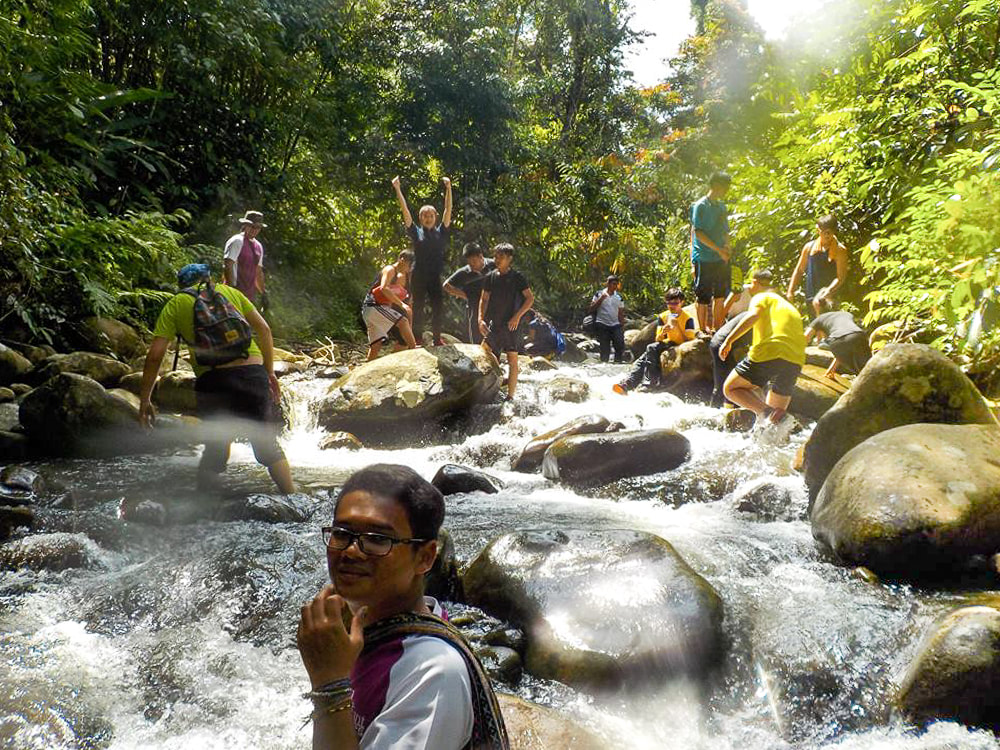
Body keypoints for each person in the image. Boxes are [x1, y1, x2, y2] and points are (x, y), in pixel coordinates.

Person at [297, 464, 510, 750]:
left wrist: (330, 685)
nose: (350, 551)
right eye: (342, 533)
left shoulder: (433, 673)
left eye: (378, 539)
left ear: (425, 557)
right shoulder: (360, 633)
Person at [138, 263, 295, 494]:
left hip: (213, 380)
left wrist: (145, 399)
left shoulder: (177, 303)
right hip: (252, 373)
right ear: (209, 278)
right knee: (266, 444)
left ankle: (205, 506)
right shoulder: (230, 292)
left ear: (181, 285)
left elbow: (154, 356)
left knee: (216, 449)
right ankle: (294, 499)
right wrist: (269, 372)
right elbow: (264, 329)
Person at [718, 269, 806, 428]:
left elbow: (753, 316)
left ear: (755, 283)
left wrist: (728, 340)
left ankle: (769, 413)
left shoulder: (761, 297)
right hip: (796, 358)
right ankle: (781, 423)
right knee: (774, 423)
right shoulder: (788, 305)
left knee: (730, 388)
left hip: (771, 350)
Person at [392, 176, 452, 346]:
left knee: (438, 307)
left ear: (435, 217)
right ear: (420, 218)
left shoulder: (441, 231)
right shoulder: (415, 232)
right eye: (425, 216)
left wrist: (449, 188)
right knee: (418, 307)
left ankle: (437, 338)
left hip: (435, 276)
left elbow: (448, 209)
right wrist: (397, 189)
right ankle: (417, 338)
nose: (428, 218)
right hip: (419, 275)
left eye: (431, 215)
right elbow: (405, 211)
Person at [478, 244, 534, 402]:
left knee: (512, 359)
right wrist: (480, 319)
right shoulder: (490, 277)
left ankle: (510, 396)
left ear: (509, 259)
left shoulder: (517, 278)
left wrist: (517, 317)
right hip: (494, 323)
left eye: (501, 257)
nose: (497, 260)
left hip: (512, 325)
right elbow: (484, 299)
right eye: (495, 256)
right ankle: (491, 385)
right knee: (483, 352)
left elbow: (530, 299)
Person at [613, 288, 695, 394]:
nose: (672, 306)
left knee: (649, 350)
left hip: (680, 343)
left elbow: (690, 339)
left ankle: (647, 383)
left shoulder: (688, 319)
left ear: (682, 302)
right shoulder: (663, 316)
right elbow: (658, 339)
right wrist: (663, 332)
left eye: (675, 303)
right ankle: (628, 384)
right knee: (645, 356)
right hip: (668, 342)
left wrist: (677, 326)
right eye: (669, 303)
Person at [690, 172, 732, 333]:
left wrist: (727, 248)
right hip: (704, 257)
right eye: (725, 186)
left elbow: (725, 230)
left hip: (720, 257)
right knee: (703, 295)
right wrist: (718, 250)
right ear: (715, 185)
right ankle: (702, 331)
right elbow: (698, 233)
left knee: (720, 294)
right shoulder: (700, 206)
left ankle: (717, 328)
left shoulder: (722, 207)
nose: (726, 190)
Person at [787, 214, 849, 314]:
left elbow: (841, 277)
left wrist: (829, 291)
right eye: (824, 232)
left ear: (834, 231)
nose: (827, 235)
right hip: (811, 296)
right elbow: (799, 270)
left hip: (829, 299)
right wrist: (790, 292)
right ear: (818, 230)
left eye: (830, 232)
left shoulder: (839, 250)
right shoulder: (809, 247)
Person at [363, 250, 418, 361]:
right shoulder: (390, 270)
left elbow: (408, 303)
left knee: (376, 345)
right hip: (374, 306)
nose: (409, 269)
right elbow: (384, 288)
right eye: (409, 265)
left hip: (379, 309)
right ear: (402, 260)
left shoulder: (404, 276)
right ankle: (415, 350)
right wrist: (402, 304)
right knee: (403, 322)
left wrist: (409, 330)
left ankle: (367, 367)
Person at [443, 243, 495, 344]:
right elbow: (446, 285)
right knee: (476, 342)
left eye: (474, 261)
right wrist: (465, 295)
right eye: (469, 262)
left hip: (494, 308)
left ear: (481, 256)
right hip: (474, 309)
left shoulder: (493, 265)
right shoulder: (464, 272)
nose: (472, 265)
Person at [805, 300, 872, 377]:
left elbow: (805, 337)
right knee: (869, 368)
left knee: (861, 374)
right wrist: (831, 370)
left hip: (837, 341)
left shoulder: (819, 319)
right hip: (859, 335)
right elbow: (846, 338)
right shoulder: (846, 314)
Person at [223, 210, 267, 305]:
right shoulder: (237, 241)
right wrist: (231, 290)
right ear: (245, 224)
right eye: (252, 226)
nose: (254, 230)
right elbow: (228, 265)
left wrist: (263, 293)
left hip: (248, 297)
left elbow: (258, 271)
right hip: (233, 293)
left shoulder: (258, 246)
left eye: (258, 227)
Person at [708, 311, 749, 408]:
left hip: (729, 346)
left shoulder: (756, 313)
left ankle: (730, 409)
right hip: (722, 346)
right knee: (722, 385)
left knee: (731, 383)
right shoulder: (757, 315)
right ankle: (714, 412)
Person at [589, 275, 626, 363]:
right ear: (608, 284)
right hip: (602, 323)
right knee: (605, 348)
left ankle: (617, 364)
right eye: (613, 284)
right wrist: (601, 298)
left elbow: (620, 313)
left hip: (615, 324)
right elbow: (591, 309)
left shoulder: (619, 297)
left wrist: (622, 326)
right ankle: (604, 365)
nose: (615, 286)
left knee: (619, 345)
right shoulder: (598, 294)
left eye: (616, 284)